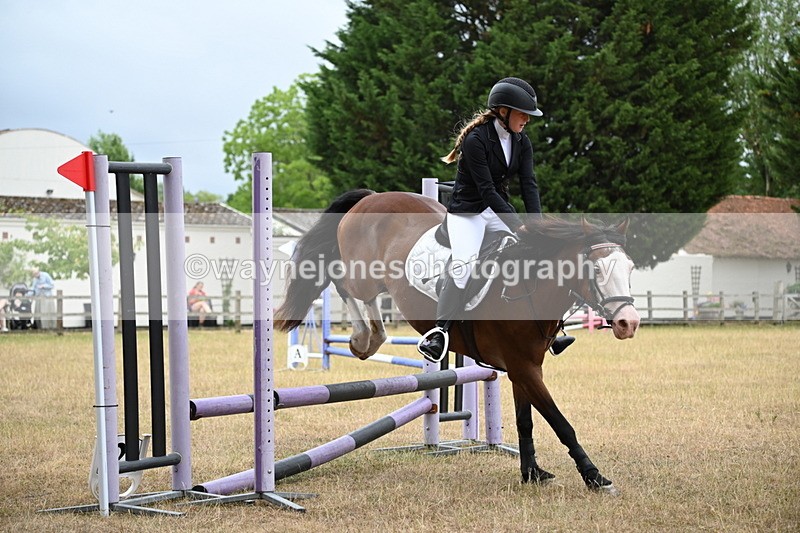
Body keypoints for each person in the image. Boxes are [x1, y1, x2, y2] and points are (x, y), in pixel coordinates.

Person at [417, 77, 573, 362]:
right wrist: (516, 224)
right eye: (522, 113)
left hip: (495, 210)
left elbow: (529, 184)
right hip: (467, 214)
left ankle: (550, 330)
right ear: (503, 111)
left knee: (536, 253)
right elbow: (487, 190)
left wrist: (535, 226)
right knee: (464, 264)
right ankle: (439, 332)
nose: (527, 120)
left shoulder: (521, 141)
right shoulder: (477, 141)